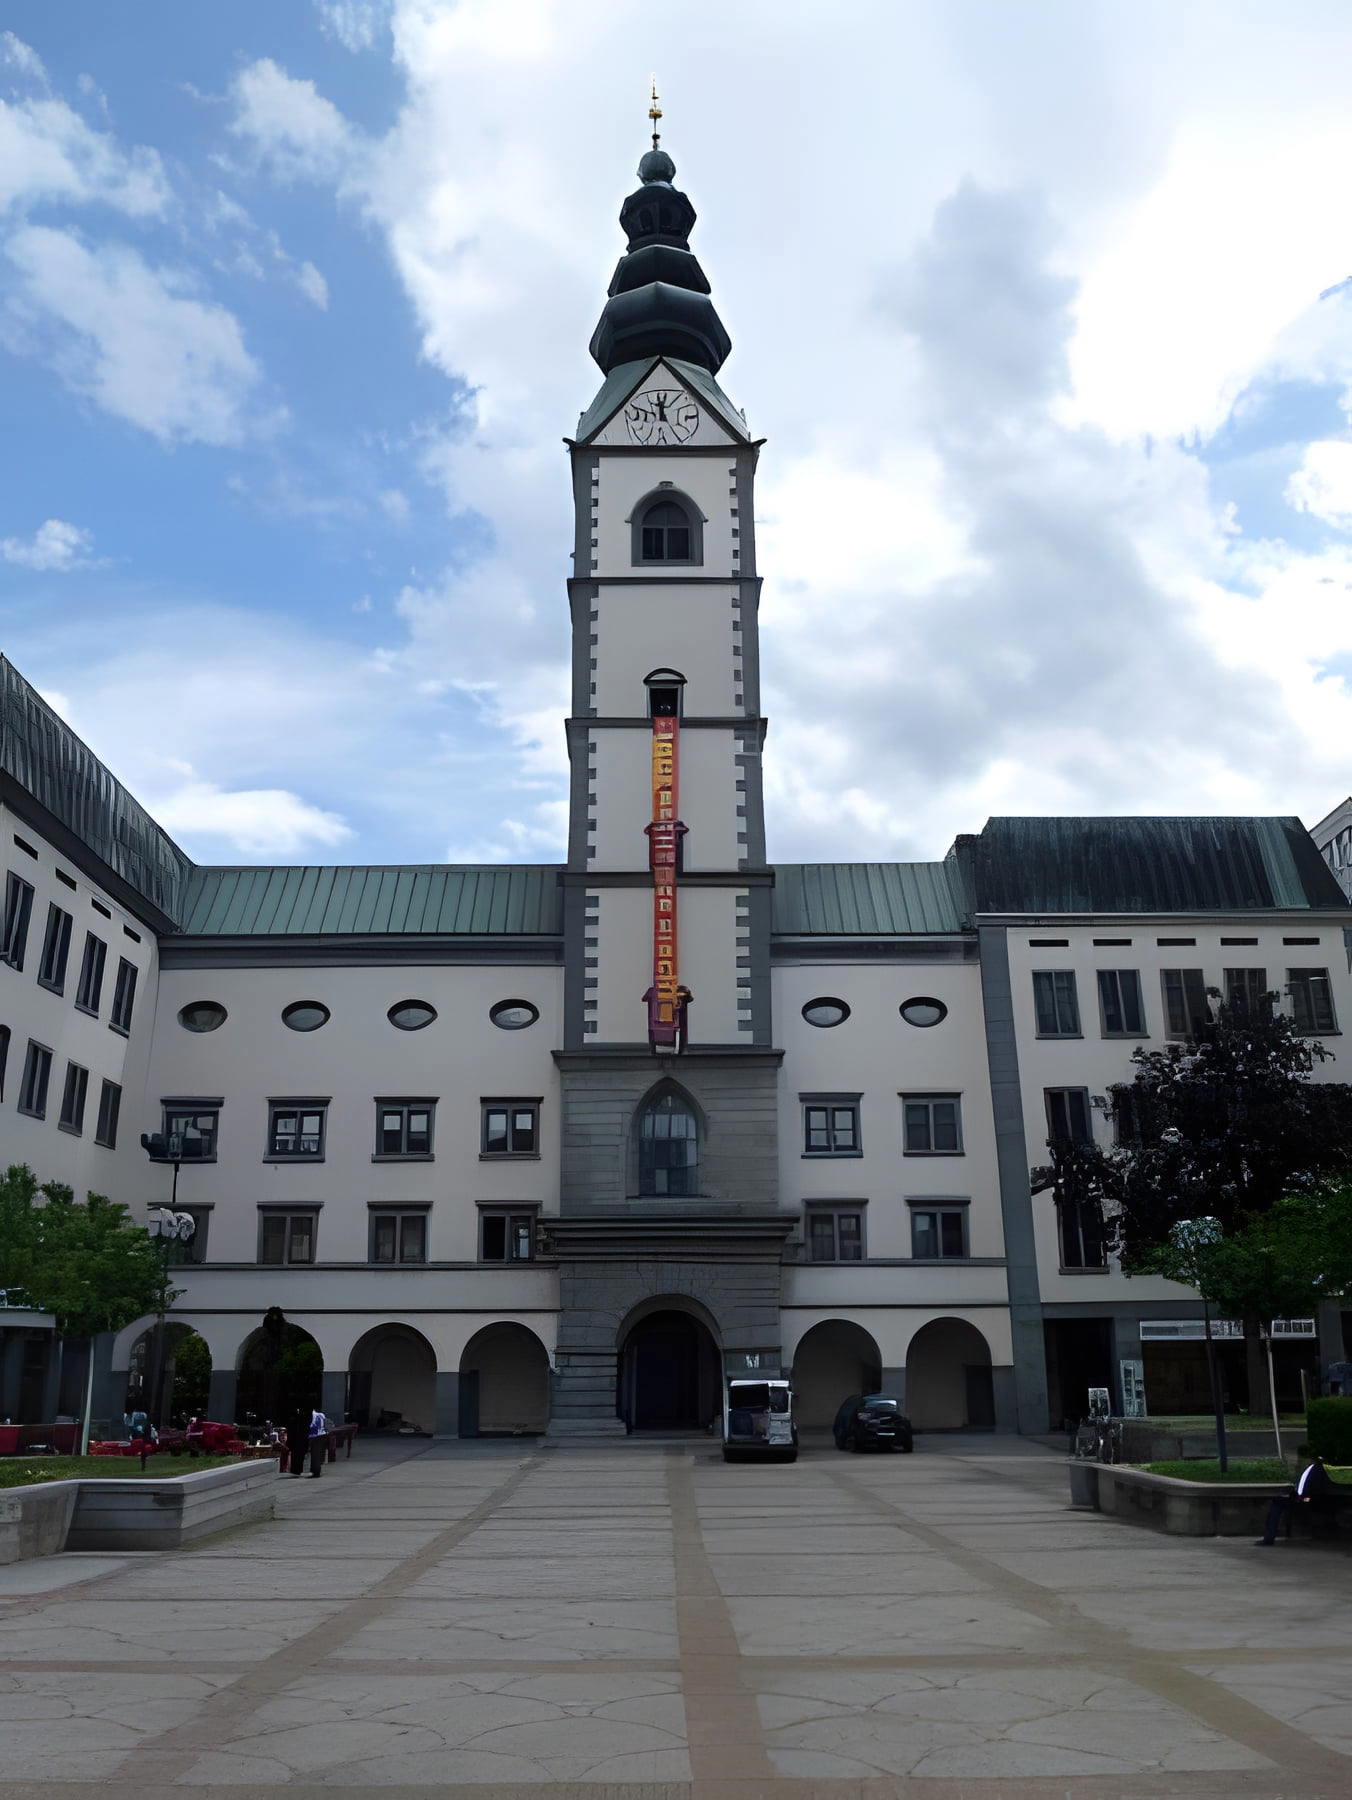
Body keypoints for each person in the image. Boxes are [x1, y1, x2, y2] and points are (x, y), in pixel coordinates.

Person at [1255, 1455, 1338, 1545]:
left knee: (1277, 1503)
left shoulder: (1312, 1469)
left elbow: (1302, 1489)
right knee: (1280, 1501)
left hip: (1308, 1499)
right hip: (1319, 1498)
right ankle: (1270, 1536)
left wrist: (1298, 1496)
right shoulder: (1328, 1469)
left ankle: (1269, 1537)